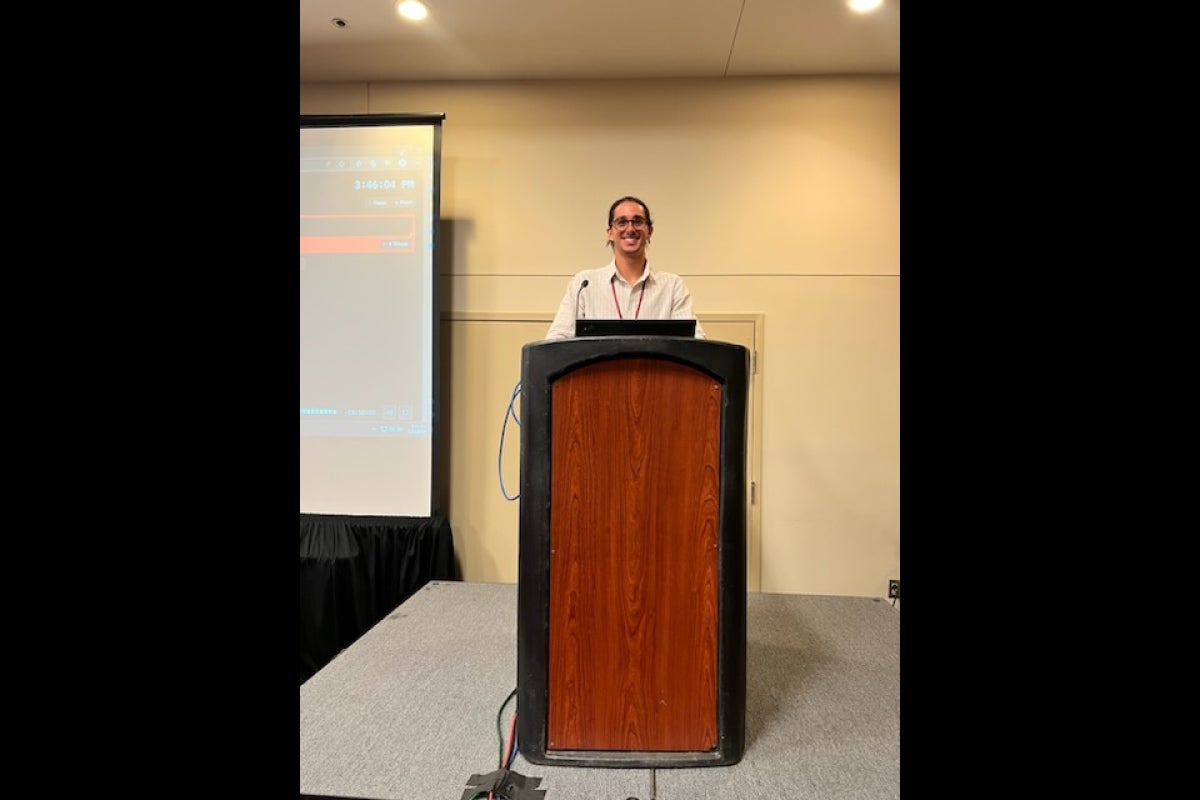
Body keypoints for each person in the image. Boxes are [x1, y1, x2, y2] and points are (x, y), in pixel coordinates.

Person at [545, 195, 706, 339]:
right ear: (610, 232)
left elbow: (696, 343)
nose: (630, 229)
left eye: (637, 221)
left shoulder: (672, 286)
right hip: (599, 373)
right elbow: (557, 340)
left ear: (649, 231)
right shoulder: (585, 283)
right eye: (621, 222)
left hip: (655, 372)